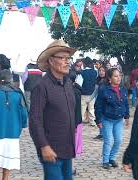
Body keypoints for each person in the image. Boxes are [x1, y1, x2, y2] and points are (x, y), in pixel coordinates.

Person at [29, 40, 77, 180]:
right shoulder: (41, 86)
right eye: (62, 58)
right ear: (50, 60)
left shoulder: (68, 83)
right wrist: (44, 146)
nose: (67, 62)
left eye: (69, 58)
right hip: (51, 149)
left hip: (67, 147)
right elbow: (34, 120)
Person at [95, 68, 130, 169]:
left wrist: (127, 116)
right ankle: (105, 161)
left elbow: (126, 103)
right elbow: (98, 106)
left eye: (119, 76)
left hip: (119, 120)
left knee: (118, 140)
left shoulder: (123, 89)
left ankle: (111, 158)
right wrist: (98, 120)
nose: (118, 78)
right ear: (110, 78)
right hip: (107, 120)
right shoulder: (103, 90)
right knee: (108, 140)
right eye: (115, 76)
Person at [68, 70, 83, 176]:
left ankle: (71, 167)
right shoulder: (75, 89)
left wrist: (75, 124)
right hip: (73, 122)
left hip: (73, 123)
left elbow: (77, 110)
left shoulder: (74, 91)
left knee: (70, 146)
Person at [81, 57, 98, 126]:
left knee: (83, 108)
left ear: (84, 64)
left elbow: (80, 83)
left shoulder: (82, 72)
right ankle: (92, 121)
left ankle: (84, 119)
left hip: (83, 93)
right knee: (91, 108)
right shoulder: (95, 72)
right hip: (92, 93)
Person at [93, 66, 108, 140]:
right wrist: (90, 99)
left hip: (106, 103)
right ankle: (101, 133)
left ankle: (105, 134)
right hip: (98, 102)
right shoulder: (97, 80)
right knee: (99, 118)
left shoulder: (108, 81)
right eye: (100, 70)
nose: (101, 72)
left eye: (103, 71)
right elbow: (95, 92)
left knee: (105, 119)